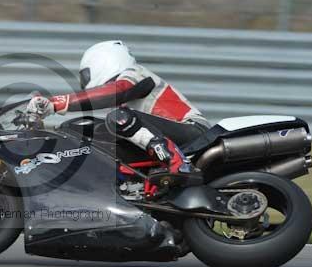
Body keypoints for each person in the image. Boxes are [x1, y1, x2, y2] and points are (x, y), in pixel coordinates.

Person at [26, 40, 209, 187]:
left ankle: (179, 164)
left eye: (85, 75)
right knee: (89, 129)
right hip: (168, 135)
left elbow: (117, 91)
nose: (85, 82)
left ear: (103, 61)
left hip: (193, 131)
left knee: (118, 117)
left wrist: (57, 103)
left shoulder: (137, 73)